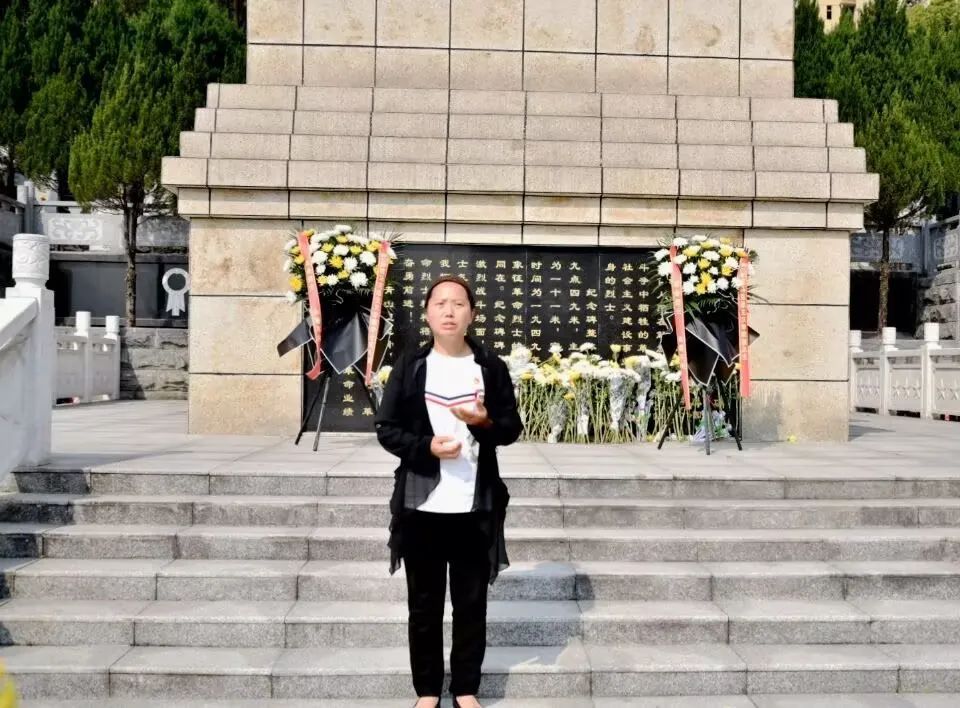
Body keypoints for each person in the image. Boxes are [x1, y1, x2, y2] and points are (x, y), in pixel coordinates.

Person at [374, 275, 524, 708]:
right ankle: (426, 691)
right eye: (440, 303)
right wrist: (427, 447)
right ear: (427, 313)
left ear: (471, 314)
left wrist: (483, 422)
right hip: (422, 503)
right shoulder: (411, 365)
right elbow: (387, 428)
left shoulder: (490, 367)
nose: (449, 311)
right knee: (423, 605)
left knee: (471, 604)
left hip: (474, 504)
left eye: (458, 303)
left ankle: (465, 689)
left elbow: (511, 428)